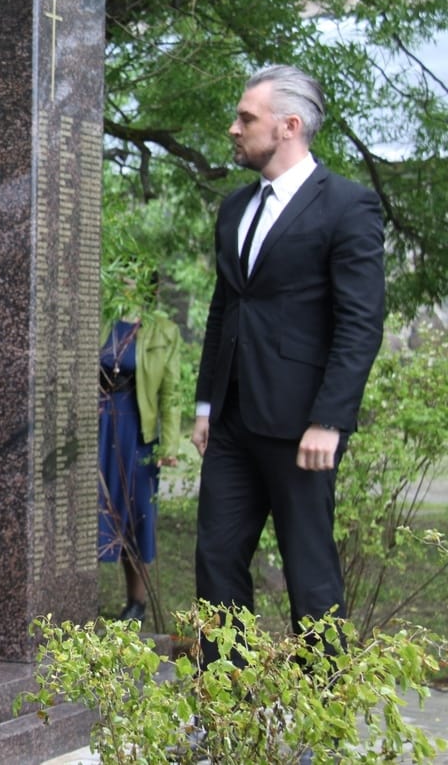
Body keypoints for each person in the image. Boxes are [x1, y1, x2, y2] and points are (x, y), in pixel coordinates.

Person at [191, 65, 385, 665]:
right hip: (231, 424)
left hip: (304, 426)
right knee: (216, 562)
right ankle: (225, 718)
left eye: (247, 118)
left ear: (290, 126)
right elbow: (225, 308)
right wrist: (205, 405)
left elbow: (361, 322)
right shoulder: (235, 209)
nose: (234, 128)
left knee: (311, 575)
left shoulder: (348, 205)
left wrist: (330, 420)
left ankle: (316, 731)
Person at [98, 270, 181, 624]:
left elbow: (171, 392)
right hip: (99, 422)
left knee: (135, 513)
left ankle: (136, 604)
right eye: (122, 275)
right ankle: (73, 595)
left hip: (137, 428)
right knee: (92, 508)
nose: (125, 281)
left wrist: (171, 443)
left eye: (133, 277)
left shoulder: (164, 331)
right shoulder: (101, 319)